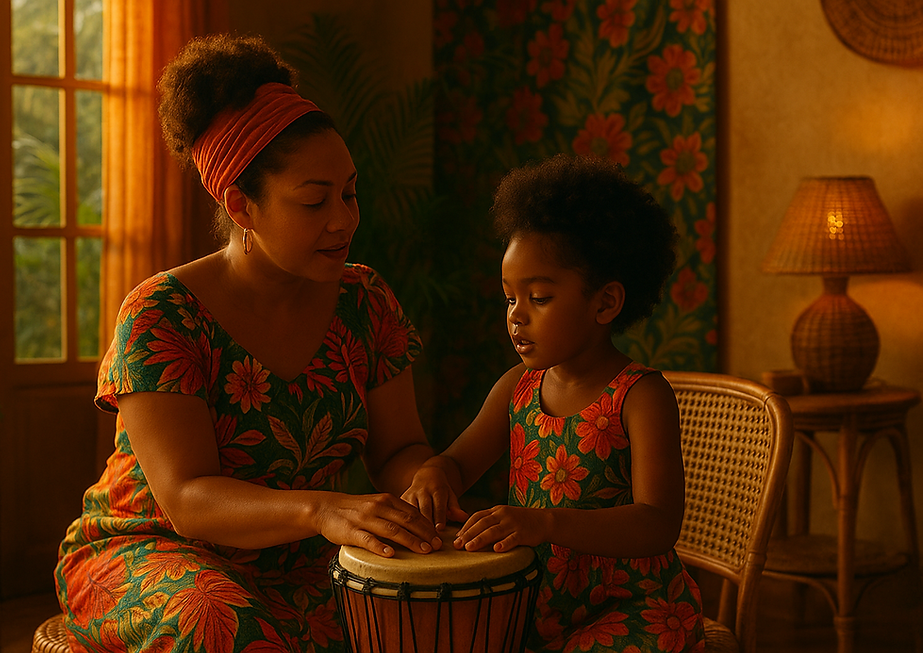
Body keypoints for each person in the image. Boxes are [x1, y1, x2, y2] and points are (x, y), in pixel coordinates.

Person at [54, 33, 442, 652]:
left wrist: (427, 481)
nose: (345, 219)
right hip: (156, 553)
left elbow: (399, 447)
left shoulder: (365, 301)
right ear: (241, 206)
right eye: (315, 201)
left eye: (350, 192)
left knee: (422, 617)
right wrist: (320, 510)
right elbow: (188, 499)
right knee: (222, 622)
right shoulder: (163, 314)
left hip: (303, 558)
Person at [403, 154, 706, 653]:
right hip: (538, 607)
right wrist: (436, 472)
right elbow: (459, 463)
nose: (517, 316)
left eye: (539, 297)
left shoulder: (640, 395)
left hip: (633, 610)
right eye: (509, 298)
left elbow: (656, 522)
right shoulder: (516, 388)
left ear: (605, 303)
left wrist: (542, 523)